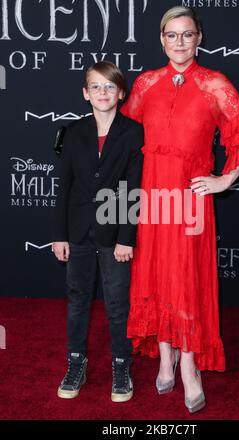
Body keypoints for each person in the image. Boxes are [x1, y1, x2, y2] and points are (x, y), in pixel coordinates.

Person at [121, 6, 239, 413]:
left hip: (188, 198)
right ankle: (164, 357)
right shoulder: (146, 83)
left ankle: (189, 366)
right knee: (153, 275)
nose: (179, 42)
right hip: (151, 198)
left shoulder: (215, 84)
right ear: (161, 39)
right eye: (172, 35)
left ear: (199, 38)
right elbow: (123, 136)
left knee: (184, 278)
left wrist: (224, 179)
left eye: (187, 34)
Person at [52, 61, 144, 402]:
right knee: (77, 300)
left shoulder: (134, 133)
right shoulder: (73, 132)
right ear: (85, 93)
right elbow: (64, 187)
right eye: (95, 86)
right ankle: (76, 363)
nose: (102, 93)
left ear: (120, 92)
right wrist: (60, 234)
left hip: (114, 234)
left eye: (109, 87)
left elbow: (133, 189)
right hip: (76, 232)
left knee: (118, 303)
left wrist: (125, 237)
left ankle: (122, 364)